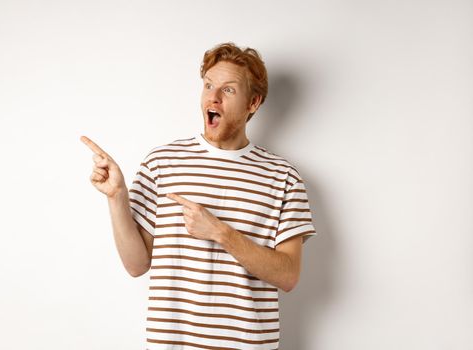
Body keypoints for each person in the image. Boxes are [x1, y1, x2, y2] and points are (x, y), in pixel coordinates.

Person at [80, 42, 317, 349]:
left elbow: (288, 276)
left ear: (253, 102)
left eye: (228, 90)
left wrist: (220, 232)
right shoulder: (162, 162)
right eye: (208, 85)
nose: (213, 97)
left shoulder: (283, 177)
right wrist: (116, 198)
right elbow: (136, 265)